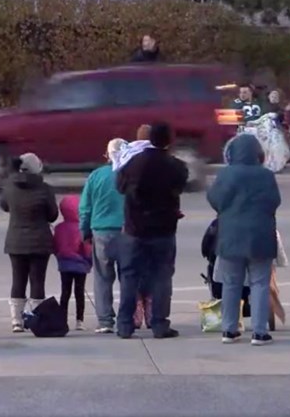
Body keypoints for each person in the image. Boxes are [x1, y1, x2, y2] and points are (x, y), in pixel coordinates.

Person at [114, 122, 189, 340]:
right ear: (170, 140)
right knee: (162, 277)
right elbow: (179, 187)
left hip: (134, 228)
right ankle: (159, 323)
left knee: (129, 277)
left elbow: (119, 187)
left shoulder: (133, 163)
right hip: (163, 229)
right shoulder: (176, 166)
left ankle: (125, 324)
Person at [207, 134, 281, 346]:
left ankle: (229, 330)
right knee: (259, 283)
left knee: (231, 283)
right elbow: (274, 201)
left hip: (230, 235)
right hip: (260, 236)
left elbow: (214, 199)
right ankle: (259, 332)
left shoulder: (226, 175)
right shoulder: (266, 176)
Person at [0, 153, 59, 332]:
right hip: (40, 241)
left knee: (18, 279)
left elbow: (4, 205)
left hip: (16, 240)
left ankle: (16, 320)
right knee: (37, 281)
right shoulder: (45, 189)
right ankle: (35, 317)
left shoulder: (10, 186)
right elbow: (53, 215)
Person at [79, 138, 127, 334]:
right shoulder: (130, 176)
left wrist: (85, 231)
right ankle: (127, 318)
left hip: (101, 231)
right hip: (127, 232)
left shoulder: (96, 176)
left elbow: (85, 208)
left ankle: (105, 320)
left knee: (102, 278)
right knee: (128, 278)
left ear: (106, 155)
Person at [53, 195, 92, 331]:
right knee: (79, 292)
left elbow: (55, 245)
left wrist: (58, 256)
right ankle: (79, 320)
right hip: (81, 265)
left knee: (65, 292)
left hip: (64, 264)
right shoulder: (82, 228)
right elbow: (87, 247)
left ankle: (62, 318)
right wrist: (89, 261)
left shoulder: (59, 228)